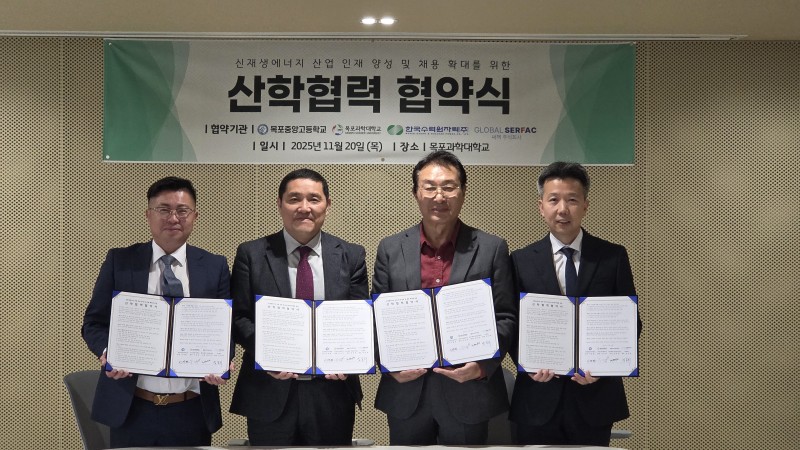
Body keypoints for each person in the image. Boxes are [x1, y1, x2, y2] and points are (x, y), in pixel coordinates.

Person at [372, 150, 516, 445]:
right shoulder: (390, 248)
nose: (439, 196)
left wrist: (482, 366)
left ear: (462, 193)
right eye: (430, 187)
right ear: (416, 193)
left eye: (449, 187)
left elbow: (506, 316)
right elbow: (376, 318)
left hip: (469, 391)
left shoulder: (492, 248)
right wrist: (388, 364)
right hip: (406, 392)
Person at [81, 176, 232, 448]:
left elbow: (224, 328)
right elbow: (94, 322)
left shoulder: (214, 266)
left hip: (192, 408)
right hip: (131, 406)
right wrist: (108, 352)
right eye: (163, 209)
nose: (173, 218)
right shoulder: (120, 261)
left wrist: (223, 360)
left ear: (195, 216)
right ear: (148, 214)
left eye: (182, 210)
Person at [229, 168, 368, 446]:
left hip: (332, 394)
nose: (304, 207)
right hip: (268, 390)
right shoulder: (251, 254)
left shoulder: (351, 255)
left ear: (328, 204)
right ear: (279, 204)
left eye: (314, 199)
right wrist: (268, 354)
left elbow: (359, 318)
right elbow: (239, 317)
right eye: (294, 199)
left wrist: (347, 358)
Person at [509, 161, 642, 446]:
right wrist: (529, 363)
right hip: (537, 398)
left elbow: (631, 323)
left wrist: (603, 368)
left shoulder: (612, 256)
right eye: (553, 200)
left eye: (571, 200)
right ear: (541, 206)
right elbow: (512, 322)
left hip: (595, 396)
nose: (562, 209)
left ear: (585, 205)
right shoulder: (521, 260)